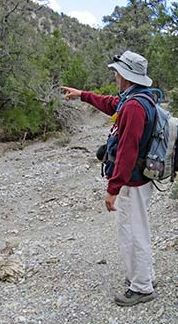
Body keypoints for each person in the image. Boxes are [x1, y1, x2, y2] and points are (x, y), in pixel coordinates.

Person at [61, 50, 157, 307]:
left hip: (132, 181)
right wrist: (83, 96)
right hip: (136, 179)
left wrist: (113, 188)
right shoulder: (134, 99)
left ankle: (142, 287)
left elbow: (127, 151)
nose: (114, 75)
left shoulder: (135, 106)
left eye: (117, 72)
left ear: (126, 75)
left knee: (133, 232)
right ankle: (142, 276)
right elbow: (112, 105)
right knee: (134, 229)